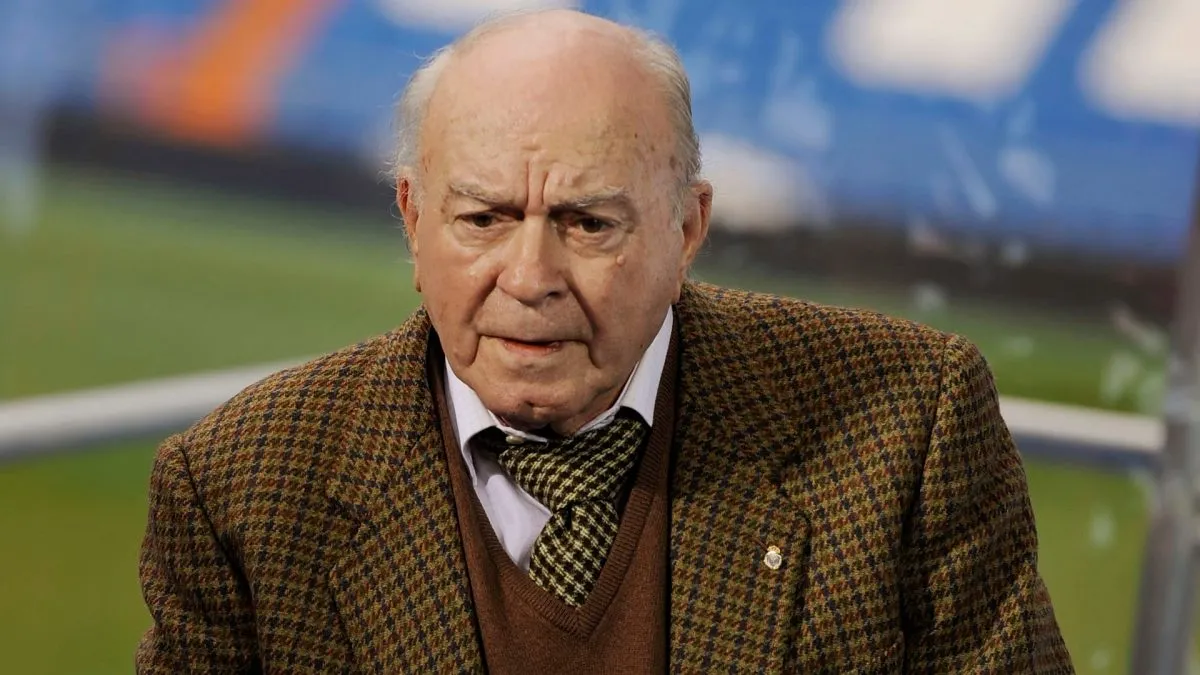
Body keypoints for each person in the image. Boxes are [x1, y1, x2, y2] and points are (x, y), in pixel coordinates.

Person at [136, 9, 1072, 673]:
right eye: (484, 218)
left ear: (688, 230)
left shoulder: (906, 424)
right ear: (412, 219)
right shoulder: (243, 487)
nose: (531, 274)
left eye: (588, 223)